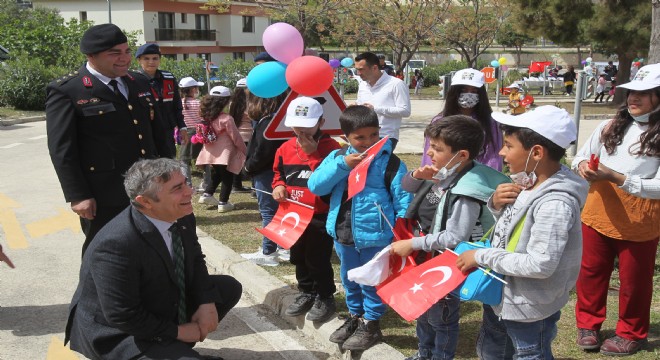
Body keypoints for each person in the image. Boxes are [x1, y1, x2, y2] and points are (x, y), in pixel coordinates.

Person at [64, 158, 242, 360]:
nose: (189, 192)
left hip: (154, 304)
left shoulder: (181, 214)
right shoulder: (115, 243)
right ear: (145, 202)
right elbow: (122, 315)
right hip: (120, 333)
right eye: (177, 188)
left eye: (186, 183)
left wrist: (206, 301)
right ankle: (165, 346)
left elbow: (194, 258)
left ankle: (170, 346)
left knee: (227, 288)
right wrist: (180, 331)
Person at [455, 105, 589, 359]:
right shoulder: (528, 181)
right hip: (502, 294)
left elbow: (540, 264)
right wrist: (496, 205)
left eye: (508, 145)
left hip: (528, 307)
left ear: (536, 152)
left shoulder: (554, 204)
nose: (501, 152)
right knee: (492, 349)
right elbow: (512, 231)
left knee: (528, 353)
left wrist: (481, 257)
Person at [390, 116, 509, 360]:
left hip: (446, 263)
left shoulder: (467, 190)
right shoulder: (445, 173)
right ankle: (424, 352)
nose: (430, 153)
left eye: (437, 148)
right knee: (423, 310)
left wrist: (412, 243)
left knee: (440, 318)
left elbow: (455, 236)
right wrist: (418, 174)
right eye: (430, 146)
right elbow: (407, 186)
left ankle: (439, 356)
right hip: (427, 257)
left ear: (462, 155)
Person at [46, 23, 169, 255]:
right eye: (114, 53)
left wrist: (171, 173)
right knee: (105, 252)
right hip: (105, 193)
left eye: (126, 51)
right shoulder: (68, 90)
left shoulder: (138, 82)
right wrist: (78, 195)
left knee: (152, 249)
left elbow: (158, 133)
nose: (124, 59)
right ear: (91, 56)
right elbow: (62, 149)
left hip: (150, 187)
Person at [308, 105, 413, 351]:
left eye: (373, 135)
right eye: (360, 137)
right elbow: (316, 186)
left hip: (376, 235)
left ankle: (372, 322)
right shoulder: (337, 158)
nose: (368, 142)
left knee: (372, 280)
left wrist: (400, 230)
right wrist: (343, 165)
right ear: (346, 138)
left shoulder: (390, 162)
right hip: (343, 232)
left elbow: (403, 199)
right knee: (349, 277)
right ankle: (355, 316)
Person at [573, 63, 660, 357]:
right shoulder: (610, 125)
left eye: (643, 94)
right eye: (630, 92)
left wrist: (616, 177)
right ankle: (588, 325)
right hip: (599, 209)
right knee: (590, 272)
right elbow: (581, 156)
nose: (633, 99)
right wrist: (583, 165)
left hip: (639, 217)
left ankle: (631, 332)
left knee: (635, 280)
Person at [272, 97, 342, 323]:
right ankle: (306, 291)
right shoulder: (284, 148)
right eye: (296, 126)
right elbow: (278, 174)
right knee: (298, 256)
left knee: (318, 258)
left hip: (319, 214)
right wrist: (278, 186)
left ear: (321, 122)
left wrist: (313, 155)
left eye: (308, 125)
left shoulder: (332, 148)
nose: (301, 131)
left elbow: (330, 179)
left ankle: (325, 295)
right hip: (292, 214)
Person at [240, 91, 289, 266]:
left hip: (266, 172)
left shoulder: (268, 122)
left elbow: (262, 152)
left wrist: (248, 167)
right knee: (280, 210)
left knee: (269, 211)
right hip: (278, 171)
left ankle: (268, 251)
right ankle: (284, 247)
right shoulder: (280, 121)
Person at [421, 68, 503, 171]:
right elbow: (430, 155)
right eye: (464, 90)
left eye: (474, 91)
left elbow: (493, 157)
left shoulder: (490, 123)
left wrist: (488, 181)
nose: (469, 95)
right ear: (454, 92)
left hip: (476, 178)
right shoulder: (439, 121)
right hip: (444, 178)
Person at [196, 86, 247, 212]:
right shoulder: (226, 118)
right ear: (225, 102)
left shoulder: (205, 117)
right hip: (224, 153)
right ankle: (223, 203)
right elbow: (236, 137)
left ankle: (207, 194)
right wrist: (245, 150)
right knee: (227, 177)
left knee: (217, 175)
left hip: (209, 152)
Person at [135, 43, 189, 158]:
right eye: (146, 58)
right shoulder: (133, 80)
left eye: (155, 58)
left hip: (166, 130)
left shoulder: (168, 78)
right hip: (146, 131)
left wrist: (182, 127)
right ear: (139, 60)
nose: (151, 62)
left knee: (168, 163)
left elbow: (176, 105)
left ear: (160, 60)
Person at [354, 52, 411, 150]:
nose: (358, 73)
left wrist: (375, 109)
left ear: (375, 68)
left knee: (377, 165)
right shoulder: (362, 85)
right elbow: (362, 106)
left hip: (386, 136)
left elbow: (405, 111)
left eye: (361, 69)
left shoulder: (396, 84)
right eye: (357, 70)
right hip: (363, 135)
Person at [178, 76, 205, 188]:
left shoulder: (179, 103)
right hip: (198, 132)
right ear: (193, 89)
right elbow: (203, 118)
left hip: (184, 132)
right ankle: (206, 183)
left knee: (184, 160)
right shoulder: (198, 103)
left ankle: (188, 184)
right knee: (203, 159)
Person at [229, 78, 252, 193]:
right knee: (251, 161)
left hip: (236, 135)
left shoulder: (232, 103)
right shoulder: (251, 102)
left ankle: (236, 186)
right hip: (249, 135)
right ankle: (255, 188)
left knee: (237, 162)